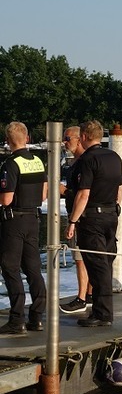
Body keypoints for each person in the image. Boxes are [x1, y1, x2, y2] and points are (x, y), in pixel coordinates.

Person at [65, 120, 122, 328]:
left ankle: (102, 313)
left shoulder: (87, 160)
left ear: (83, 137)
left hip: (92, 217)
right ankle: (102, 310)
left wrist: (72, 221)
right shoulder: (114, 157)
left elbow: (83, 193)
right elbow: (120, 188)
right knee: (105, 262)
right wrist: (114, 207)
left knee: (96, 265)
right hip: (111, 215)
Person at [0, 121, 47, 335]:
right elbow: (44, 193)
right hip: (33, 218)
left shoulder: (10, 164)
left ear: (9, 141)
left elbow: (7, 199)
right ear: (27, 138)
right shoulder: (38, 160)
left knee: (10, 267)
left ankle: (16, 318)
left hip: (14, 219)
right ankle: (37, 317)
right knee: (33, 269)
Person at [59, 125, 93, 314]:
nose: (65, 142)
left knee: (81, 258)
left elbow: (82, 192)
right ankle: (88, 294)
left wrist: (62, 191)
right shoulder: (78, 162)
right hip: (84, 214)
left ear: (79, 139)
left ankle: (82, 297)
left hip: (80, 216)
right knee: (86, 257)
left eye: (68, 139)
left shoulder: (83, 163)